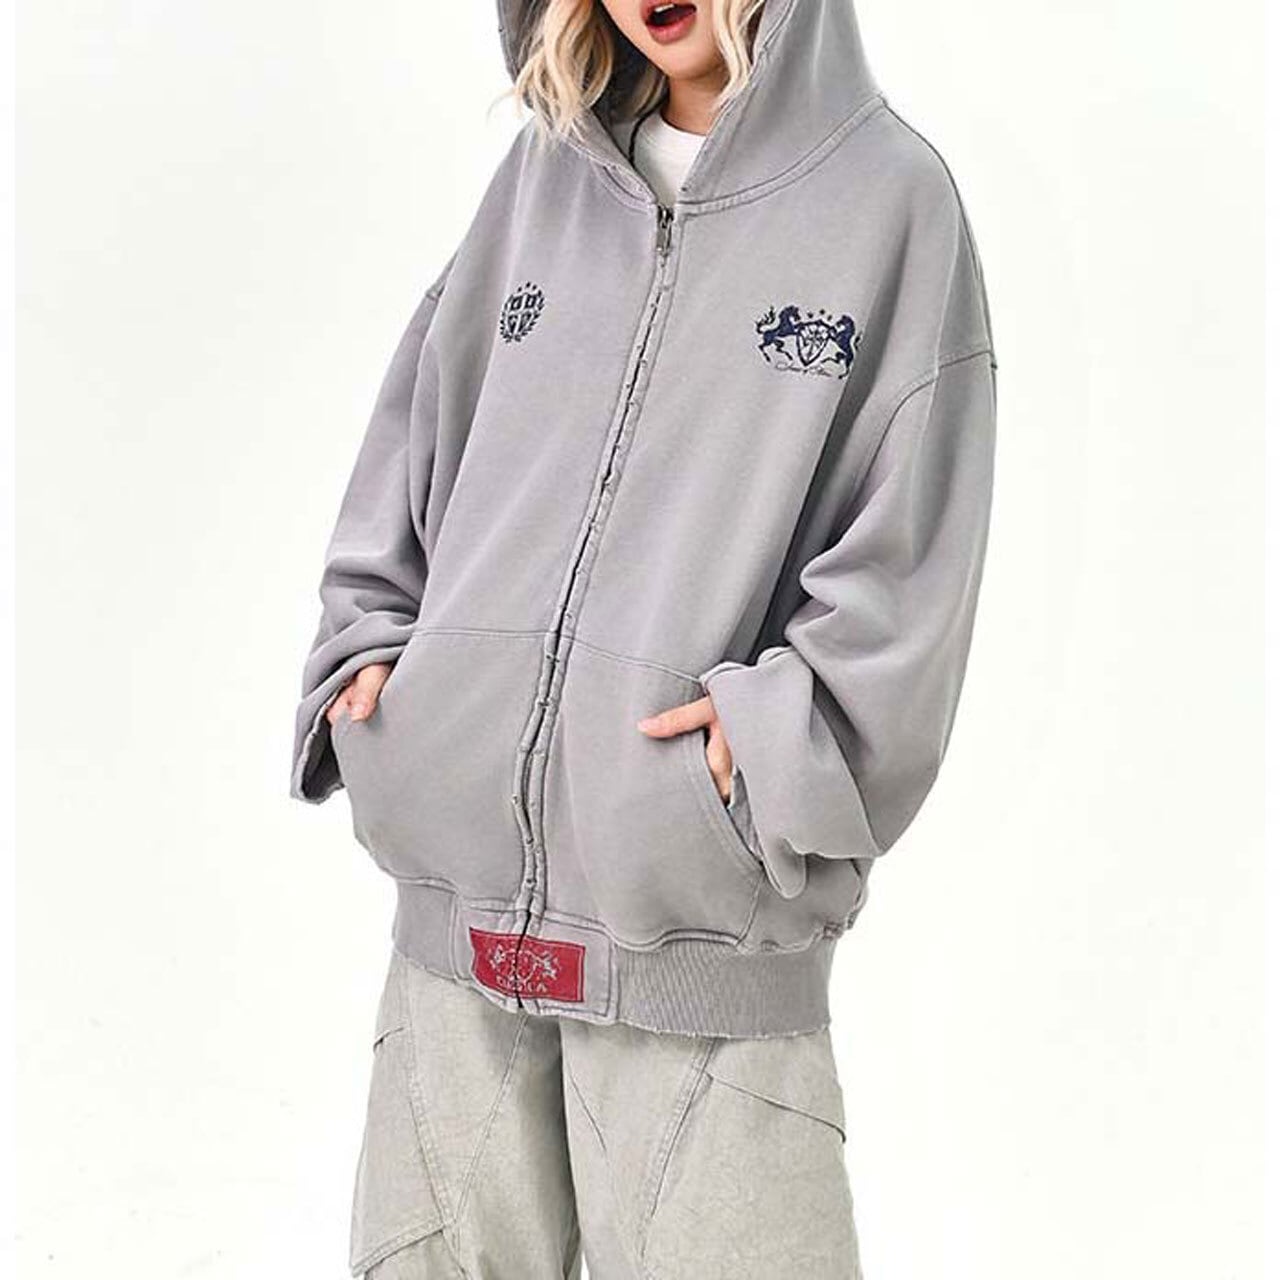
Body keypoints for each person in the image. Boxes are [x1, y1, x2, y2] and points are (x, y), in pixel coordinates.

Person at [289, 1, 998, 1275]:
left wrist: (764, 749)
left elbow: (909, 556)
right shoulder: (542, 175)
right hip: (457, 934)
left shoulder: (890, 201)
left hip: (697, 940)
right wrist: (371, 653)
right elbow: (415, 430)